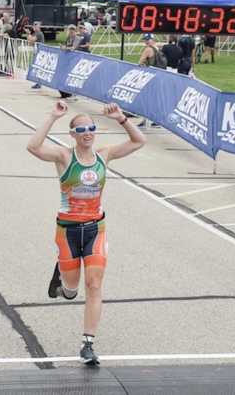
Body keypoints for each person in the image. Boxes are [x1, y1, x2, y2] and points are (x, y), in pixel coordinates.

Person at [26, 100, 146, 366]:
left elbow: (139, 142)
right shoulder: (64, 157)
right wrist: (52, 117)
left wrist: (121, 119)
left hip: (95, 229)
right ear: (73, 135)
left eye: (91, 128)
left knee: (94, 285)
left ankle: (88, 343)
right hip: (67, 231)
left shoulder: (105, 154)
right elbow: (33, 147)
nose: (88, 133)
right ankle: (63, 281)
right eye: (81, 130)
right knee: (70, 291)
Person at [28, 22, 46, 90]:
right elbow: (30, 42)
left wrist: (29, 34)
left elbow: (32, 40)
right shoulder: (35, 33)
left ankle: (39, 83)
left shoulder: (39, 33)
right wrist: (30, 35)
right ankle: (38, 83)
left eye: (36, 26)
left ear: (39, 27)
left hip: (40, 52)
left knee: (39, 68)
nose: (35, 27)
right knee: (36, 67)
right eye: (34, 26)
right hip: (36, 52)